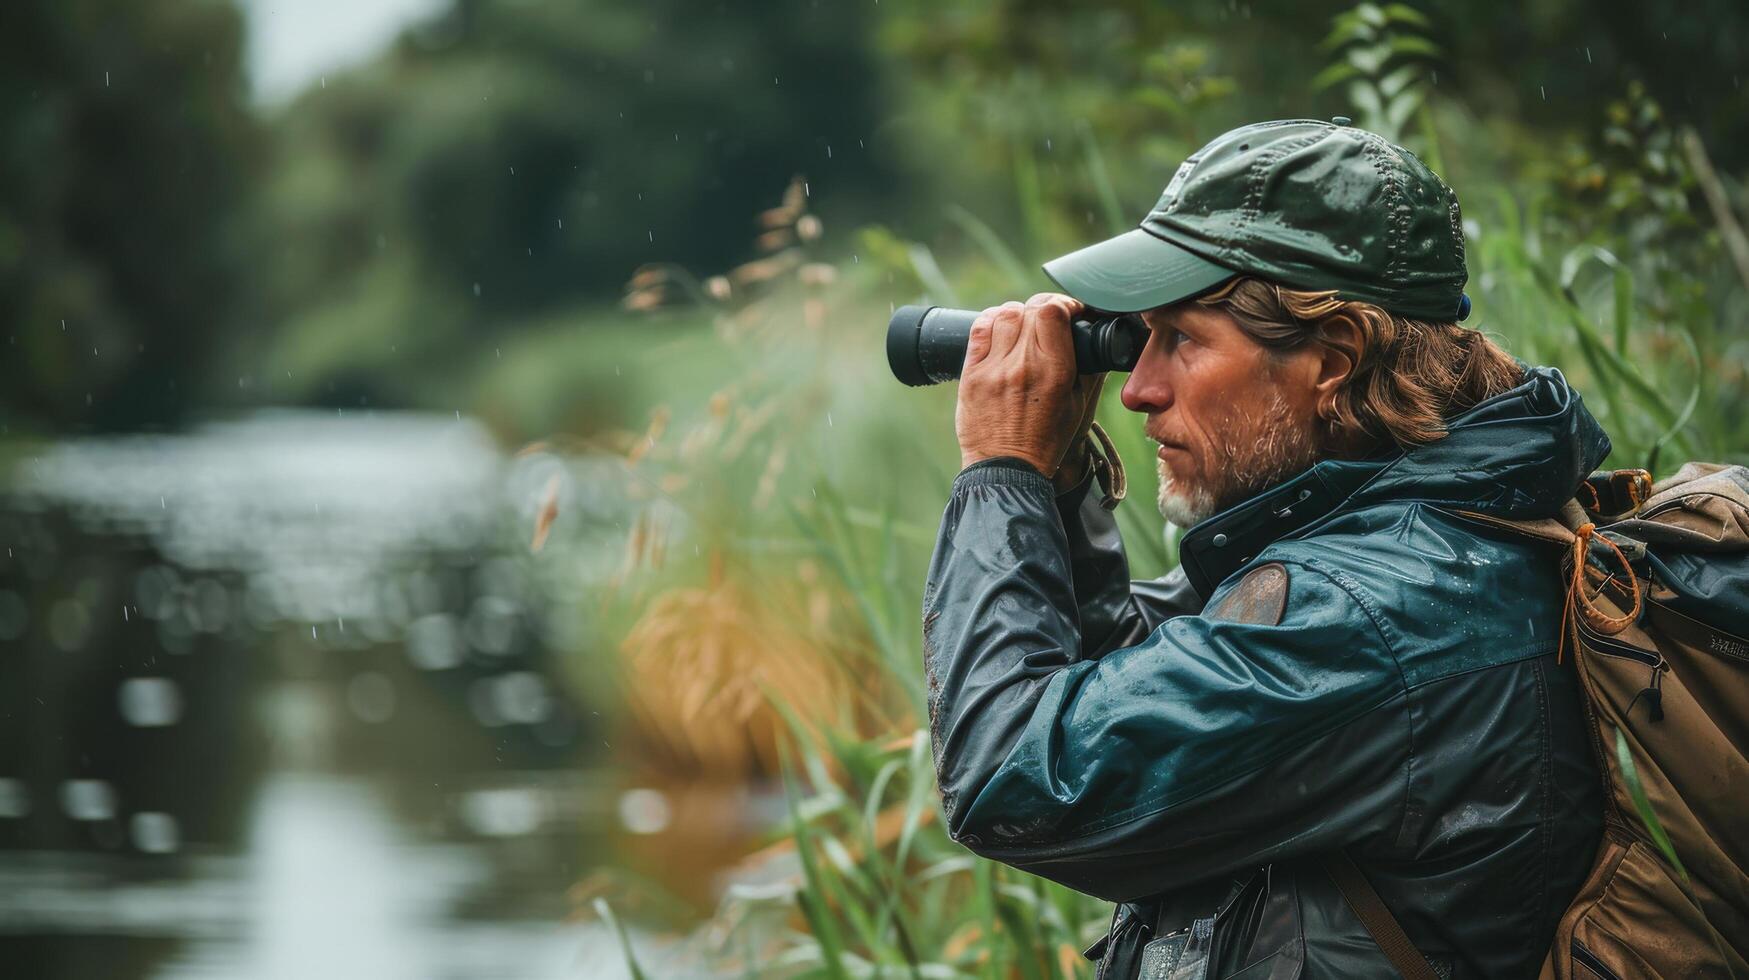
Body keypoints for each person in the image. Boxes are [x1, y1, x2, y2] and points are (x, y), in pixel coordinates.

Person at [922, 118, 1606, 978]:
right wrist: (1059, 479)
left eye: (1182, 338)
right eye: (1135, 340)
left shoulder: (1376, 613)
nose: (1135, 390)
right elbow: (1122, 693)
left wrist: (1003, 471)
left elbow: (1012, 782)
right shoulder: (1410, 536)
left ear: (1333, 357)